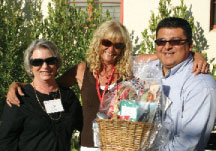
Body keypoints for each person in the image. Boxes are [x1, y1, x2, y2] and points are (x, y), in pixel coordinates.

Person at [5, 20, 208, 150]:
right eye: (107, 43)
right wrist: (19, 84)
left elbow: (165, 54)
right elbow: (47, 82)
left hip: (120, 146)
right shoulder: (81, 71)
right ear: (98, 43)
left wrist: (195, 54)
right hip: (89, 146)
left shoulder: (129, 68)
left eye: (118, 45)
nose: (112, 49)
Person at [0, 39, 83, 151]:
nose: (45, 66)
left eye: (50, 61)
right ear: (30, 66)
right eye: (37, 62)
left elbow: (85, 126)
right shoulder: (20, 97)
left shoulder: (68, 96)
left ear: (57, 63)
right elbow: (6, 142)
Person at [150, 17, 216, 151]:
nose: (167, 46)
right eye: (161, 42)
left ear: (190, 45)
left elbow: (187, 144)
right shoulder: (149, 70)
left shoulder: (200, 85)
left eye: (176, 41)